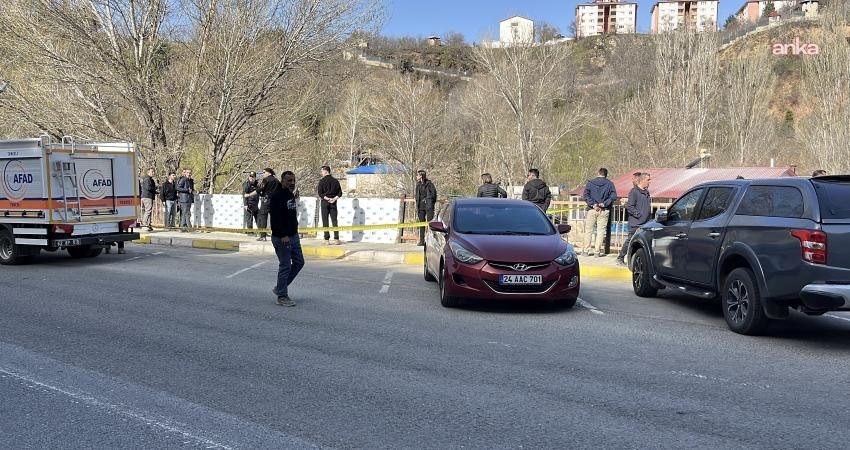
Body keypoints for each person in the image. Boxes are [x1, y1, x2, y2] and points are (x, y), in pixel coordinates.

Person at [269, 171, 304, 307]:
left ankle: (280, 287)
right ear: (282, 181)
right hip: (282, 237)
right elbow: (275, 219)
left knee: (299, 262)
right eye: (289, 180)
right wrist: (283, 235)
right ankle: (282, 296)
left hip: (293, 236)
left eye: (293, 180)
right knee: (285, 266)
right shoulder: (276, 196)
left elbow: (290, 215)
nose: (292, 183)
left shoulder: (290, 194)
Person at [617, 172, 653, 266]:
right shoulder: (634, 192)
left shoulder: (646, 192)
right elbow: (630, 207)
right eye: (648, 180)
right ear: (642, 180)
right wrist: (639, 215)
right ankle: (620, 257)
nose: (650, 181)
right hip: (636, 223)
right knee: (631, 240)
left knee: (644, 241)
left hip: (645, 223)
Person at [583, 168, 617, 257]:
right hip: (604, 210)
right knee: (601, 231)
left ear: (598, 173)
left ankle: (586, 250)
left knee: (588, 230)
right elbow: (613, 196)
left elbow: (586, 195)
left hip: (592, 209)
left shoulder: (590, 183)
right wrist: (604, 203)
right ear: (606, 174)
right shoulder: (610, 184)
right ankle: (597, 252)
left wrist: (593, 204)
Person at [317, 165, 343, 245]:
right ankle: (336, 239)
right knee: (334, 220)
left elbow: (320, 193)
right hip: (333, 202)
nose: (321, 173)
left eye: (322, 171)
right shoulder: (335, 181)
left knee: (325, 220)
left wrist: (326, 198)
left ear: (325, 171)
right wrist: (334, 198)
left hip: (325, 202)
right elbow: (340, 193)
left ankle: (326, 239)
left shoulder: (322, 181)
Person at [253, 168, 280, 241]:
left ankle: (263, 236)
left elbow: (260, 189)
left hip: (266, 201)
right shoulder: (277, 180)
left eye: (264, 172)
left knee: (262, 218)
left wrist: (250, 194)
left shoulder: (266, 180)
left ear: (269, 173)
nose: (263, 173)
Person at [415, 170, 437, 246]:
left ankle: (431, 242)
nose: (416, 176)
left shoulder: (430, 184)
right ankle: (422, 241)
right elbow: (417, 196)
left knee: (430, 224)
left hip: (429, 206)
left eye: (417, 175)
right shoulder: (418, 185)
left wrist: (430, 202)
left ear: (421, 176)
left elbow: (434, 195)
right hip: (420, 207)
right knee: (421, 224)